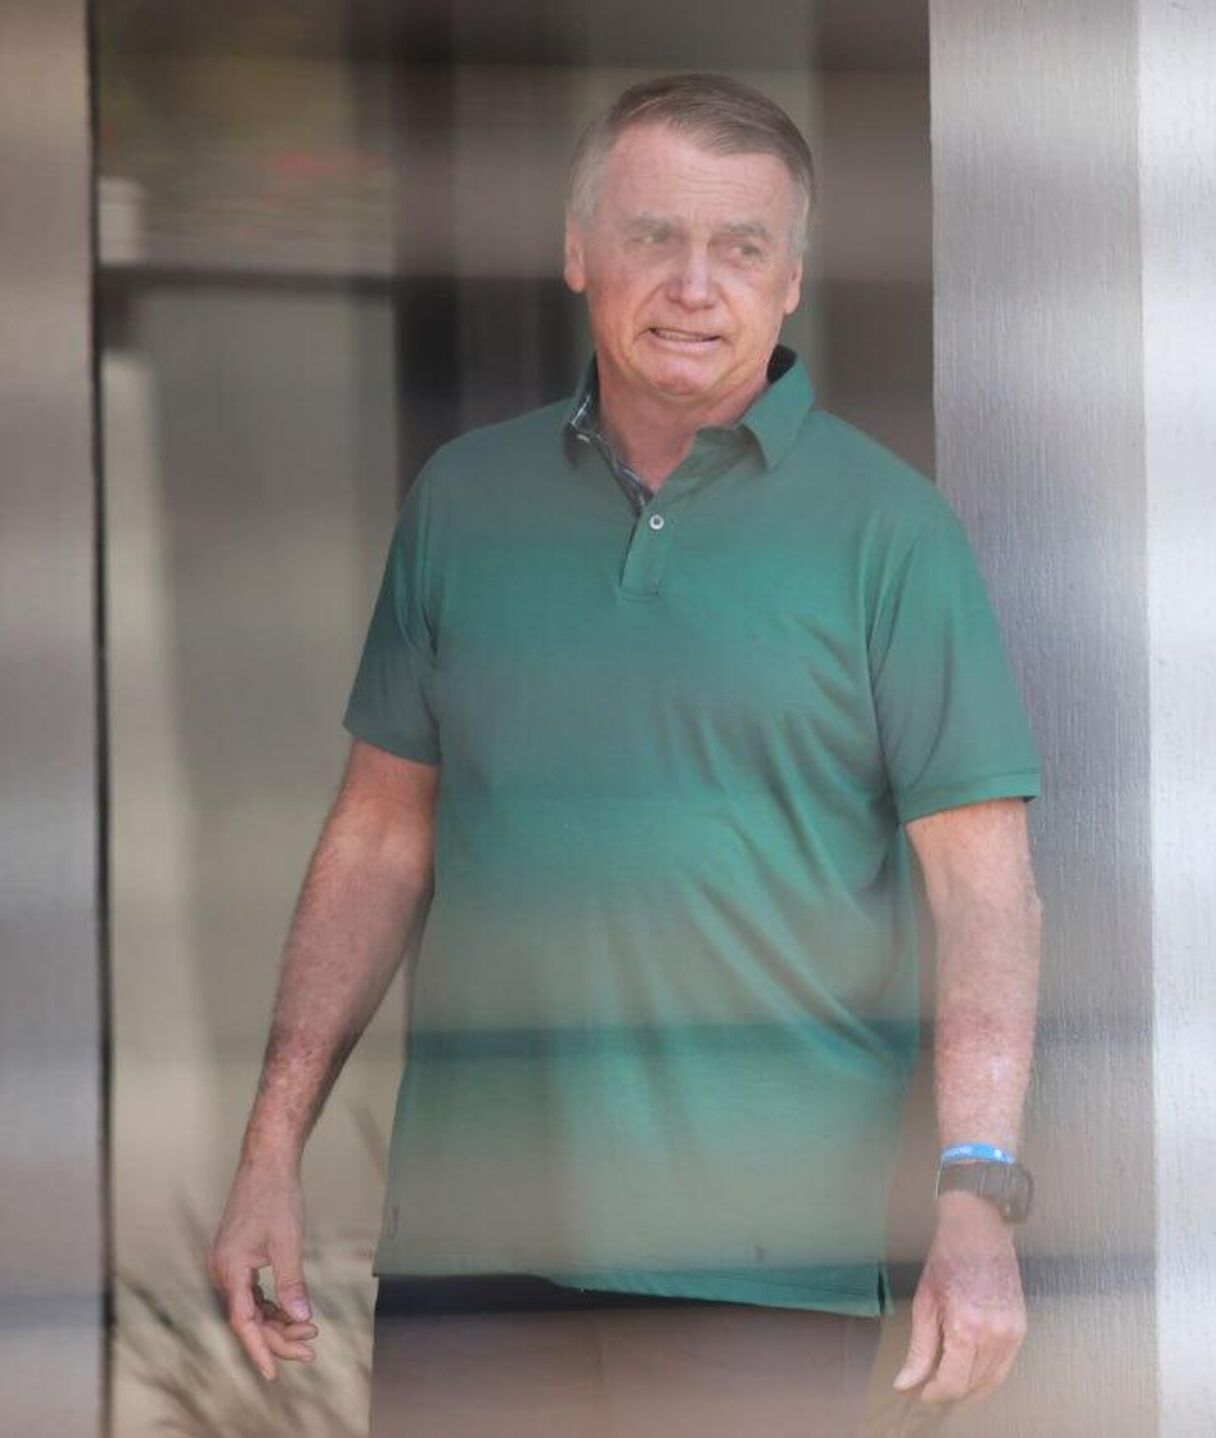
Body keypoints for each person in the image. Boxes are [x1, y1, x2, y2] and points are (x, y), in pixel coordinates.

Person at [206, 72, 1046, 1437]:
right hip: (470, 1255)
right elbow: (378, 842)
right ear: (578, 248)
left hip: (763, 1266)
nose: (694, 286)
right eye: (655, 236)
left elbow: (986, 893)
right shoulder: (464, 504)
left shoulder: (893, 537)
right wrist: (268, 1153)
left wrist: (976, 1193)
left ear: (791, 280)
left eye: (742, 248)